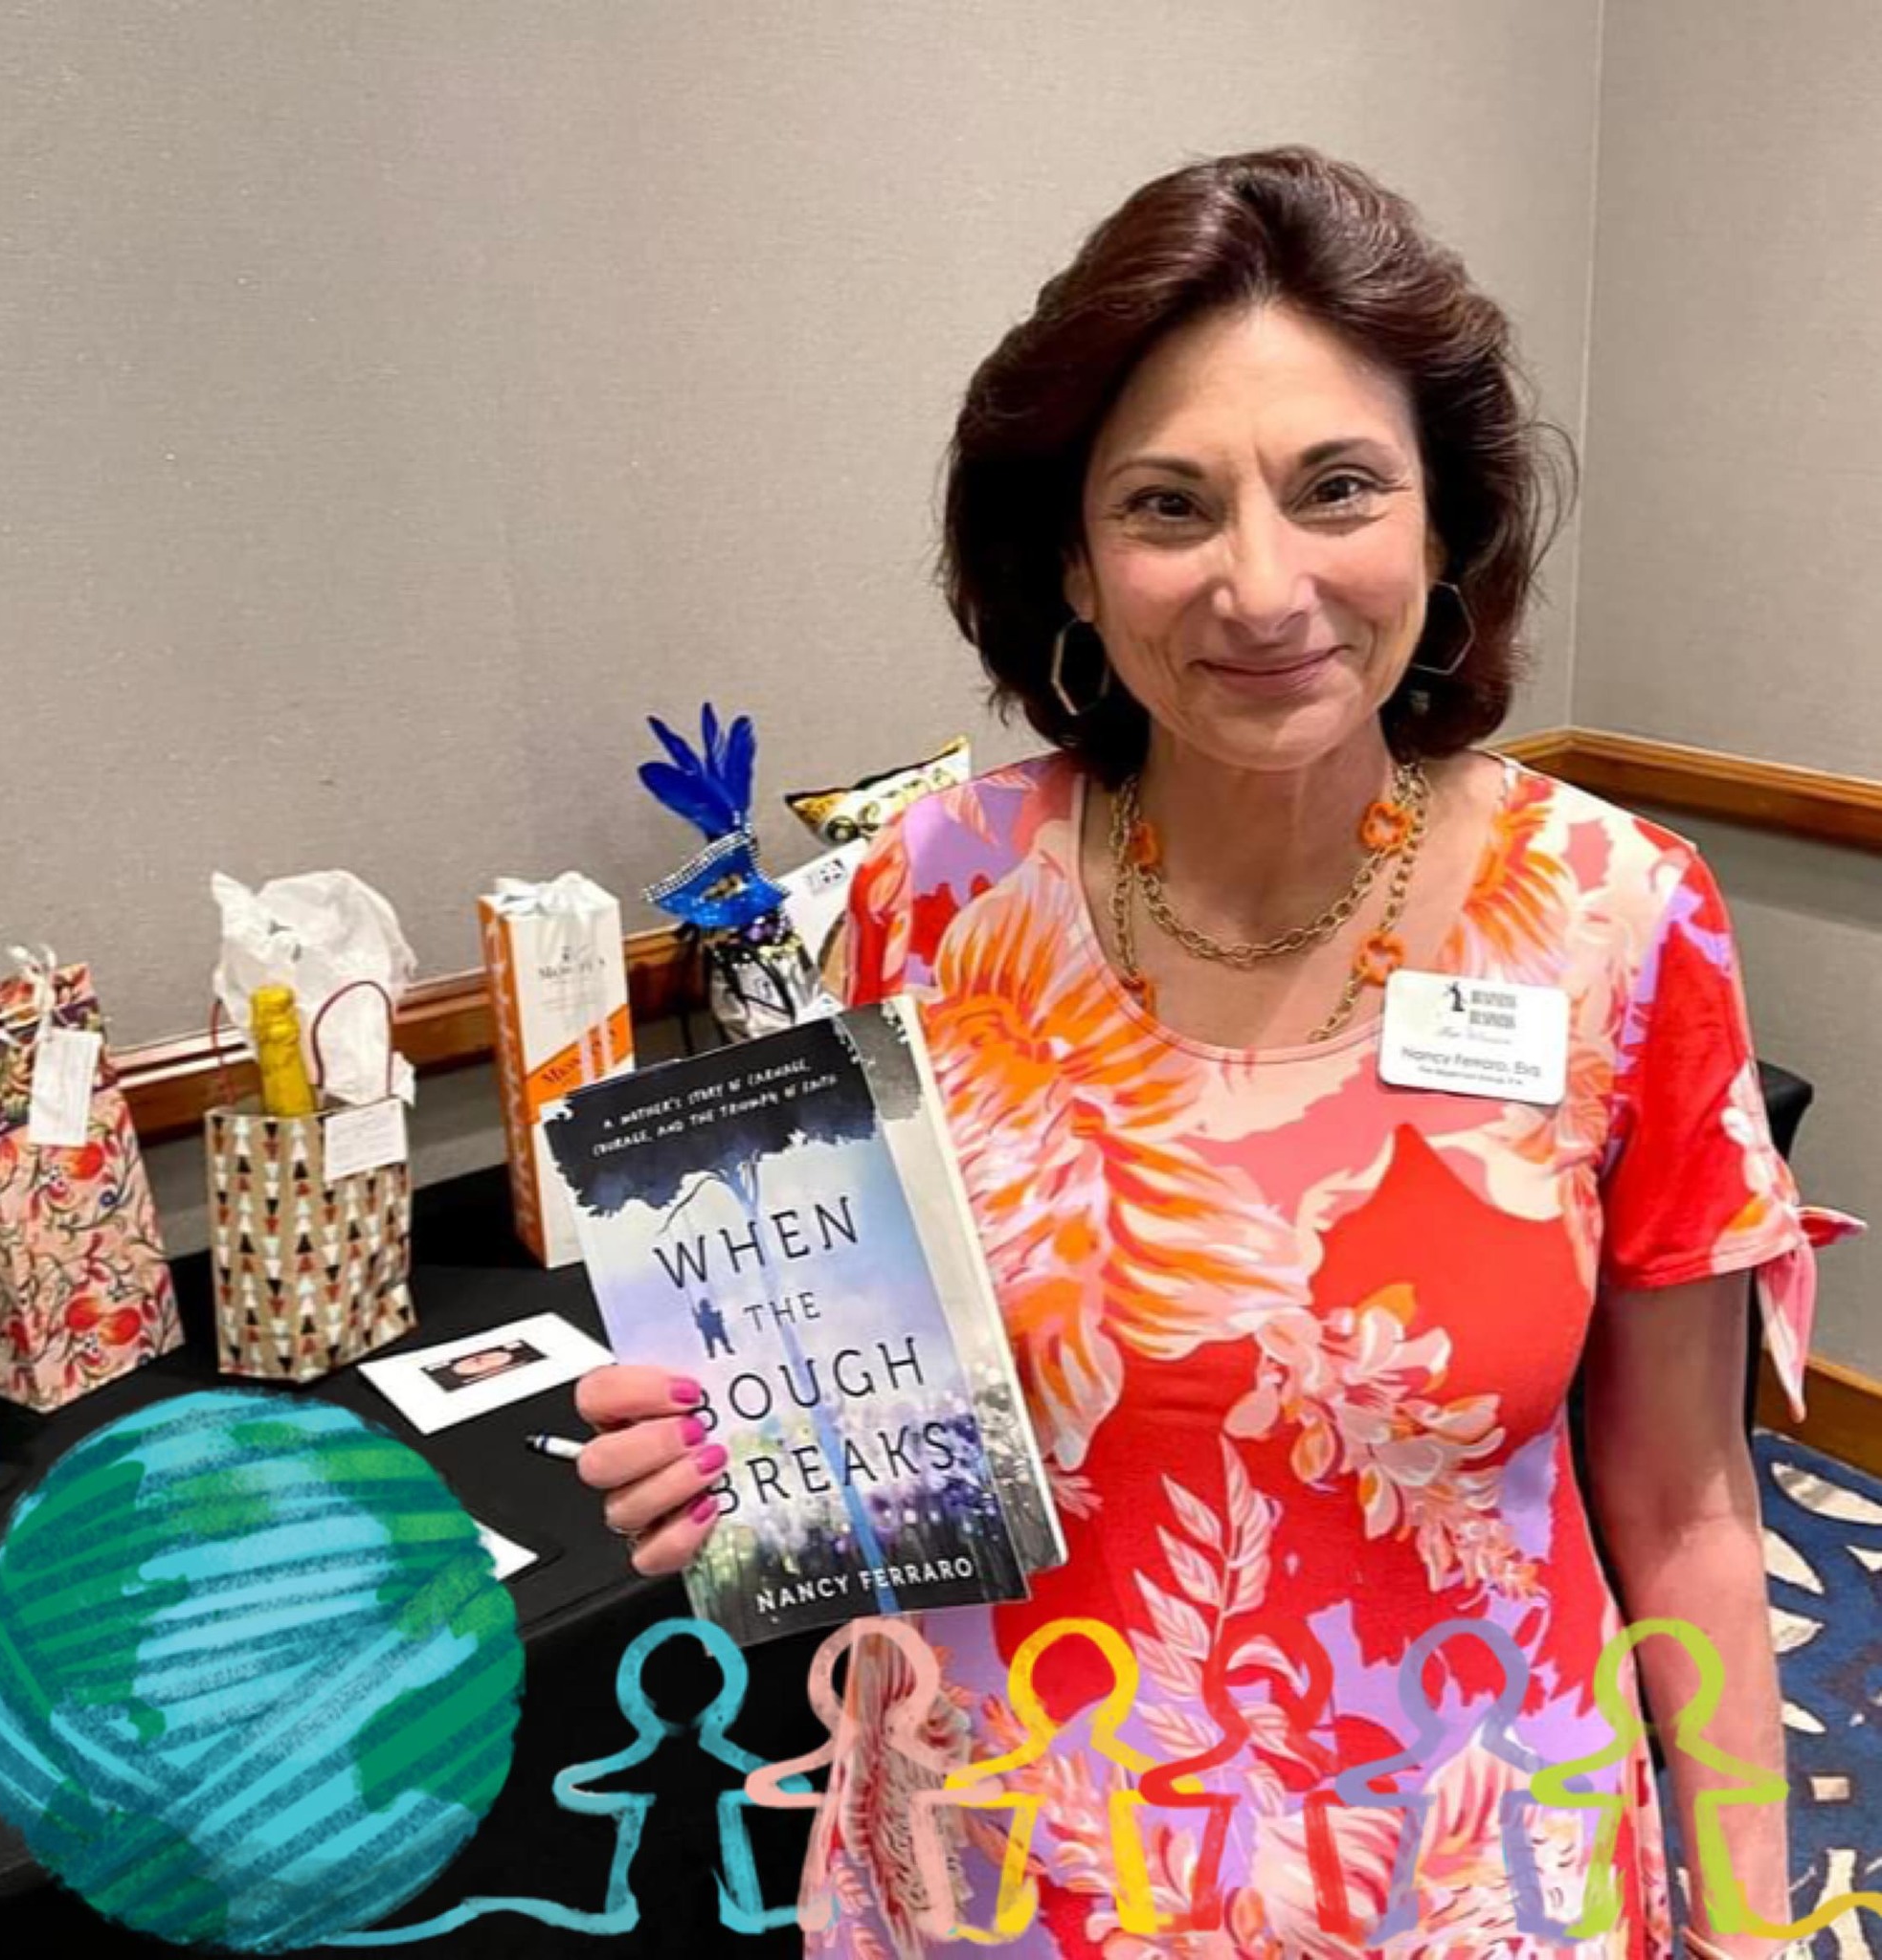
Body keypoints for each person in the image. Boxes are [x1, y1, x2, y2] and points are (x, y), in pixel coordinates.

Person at [571, 145, 1862, 1956]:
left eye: (1340, 489)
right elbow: (844, 1423)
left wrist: (1755, 1930)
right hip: (1011, 1875)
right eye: (1170, 508)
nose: (1265, 588)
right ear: (1076, 575)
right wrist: (731, 1448)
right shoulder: (903, 915)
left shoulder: (1618, 919)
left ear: (1443, 530)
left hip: (1466, 1874)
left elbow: (1689, 1503)